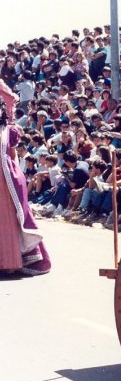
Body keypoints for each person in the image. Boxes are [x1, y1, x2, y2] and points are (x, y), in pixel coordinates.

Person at [0, 98, 51, 275]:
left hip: (6, 180)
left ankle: (11, 262)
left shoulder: (9, 131)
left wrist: (16, 180)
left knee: (9, 219)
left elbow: (13, 156)